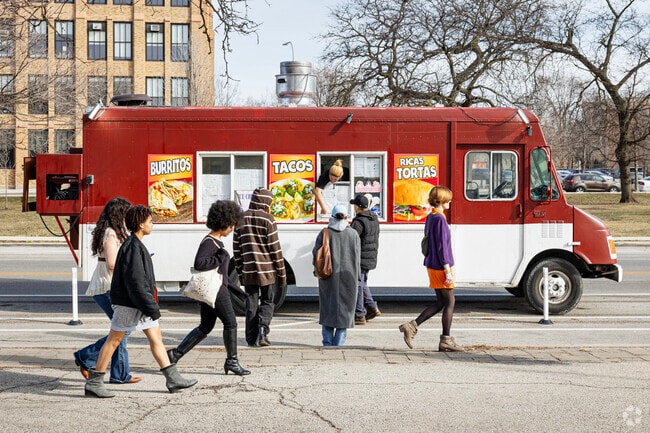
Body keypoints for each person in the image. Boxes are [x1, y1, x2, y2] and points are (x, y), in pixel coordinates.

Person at [84, 205, 197, 398]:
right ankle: (94, 382)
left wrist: (148, 306)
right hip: (131, 304)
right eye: (150, 221)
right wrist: (151, 307)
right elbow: (136, 284)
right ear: (141, 224)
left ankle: (172, 378)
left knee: (156, 338)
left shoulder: (134, 245)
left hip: (139, 305)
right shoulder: (133, 248)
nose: (152, 224)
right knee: (114, 340)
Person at [167, 200, 251, 375]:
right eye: (230, 226)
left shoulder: (217, 242)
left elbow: (224, 276)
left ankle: (175, 354)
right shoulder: (210, 242)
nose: (231, 229)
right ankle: (232, 361)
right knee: (231, 323)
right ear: (223, 223)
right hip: (216, 292)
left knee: (205, 326)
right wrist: (219, 258)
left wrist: (240, 293)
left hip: (214, 290)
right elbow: (199, 263)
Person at [73, 197, 141, 384]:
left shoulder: (116, 232)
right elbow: (112, 264)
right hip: (107, 286)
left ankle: (120, 374)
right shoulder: (111, 234)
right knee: (121, 330)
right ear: (118, 214)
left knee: (120, 330)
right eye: (126, 213)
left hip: (111, 286)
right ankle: (86, 356)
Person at [398, 186, 464, 352]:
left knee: (441, 302)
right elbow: (442, 247)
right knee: (450, 302)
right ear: (441, 201)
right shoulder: (440, 219)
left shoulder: (431, 217)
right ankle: (445, 340)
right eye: (448, 199)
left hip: (431, 264)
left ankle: (412, 326)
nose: (450, 201)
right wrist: (447, 269)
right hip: (441, 266)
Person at [233, 188, 287, 347]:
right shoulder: (268, 220)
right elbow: (275, 249)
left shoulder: (240, 219)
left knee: (251, 304)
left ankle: (250, 339)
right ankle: (263, 330)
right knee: (268, 301)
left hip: (249, 270)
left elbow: (237, 249)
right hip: (267, 271)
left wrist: (240, 271)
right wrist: (282, 275)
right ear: (265, 202)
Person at [312, 203, 360, 346]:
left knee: (328, 310)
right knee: (344, 313)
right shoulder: (353, 234)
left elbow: (316, 254)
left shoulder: (324, 233)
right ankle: (338, 345)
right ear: (346, 217)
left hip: (328, 278)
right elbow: (358, 258)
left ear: (332, 217)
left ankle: (327, 343)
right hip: (348, 277)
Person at [349, 194, 381, 325]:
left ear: (357, 207)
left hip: (360, 258)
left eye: (354, 205)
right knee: (362, 283)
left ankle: (360, 314)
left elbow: (352, 239)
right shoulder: (374, 219)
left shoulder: (358, 222)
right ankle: (372, 308)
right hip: (371, 257)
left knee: (358, 285)